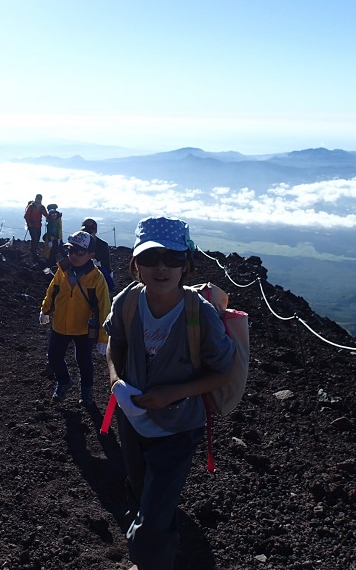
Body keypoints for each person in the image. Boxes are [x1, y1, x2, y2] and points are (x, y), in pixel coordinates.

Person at [103, 216, 236, 570]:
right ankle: (155, 552)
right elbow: (114, 343)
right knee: (142, 494)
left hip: (178, 429)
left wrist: (174, 393)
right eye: (150, 258)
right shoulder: (127, 302)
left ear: (186, 266)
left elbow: (224, 371)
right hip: (132, 422)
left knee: (155, 511)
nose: (161, 266)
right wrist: (116, 381)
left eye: (173, 259)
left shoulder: (200, 315)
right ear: (136, 264)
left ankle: (149, 560)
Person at [40, 230, 110, 406]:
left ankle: (87, 390)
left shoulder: (97, 278)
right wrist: (45, 309)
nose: (73, 255)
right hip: (60, 325)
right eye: (70, 251)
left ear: (91, 255)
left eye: (79, 252)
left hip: (83, 329)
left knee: (84, 361)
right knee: (54, 358)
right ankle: (64, 381)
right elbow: (52, 290)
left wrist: (103, 337)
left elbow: (104, 308)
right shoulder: (62, 270)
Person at [81, 217, 114, 291]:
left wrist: (108, 273)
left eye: (89, 232)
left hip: (99, 276)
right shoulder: (78, 245)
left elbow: (106, 261)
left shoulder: (103, 245)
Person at [23, 194, 48, 262]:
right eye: (38, 198)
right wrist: (29, 223)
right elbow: (26, 216)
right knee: (35, 238)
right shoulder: (31, 206)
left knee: (37, 239)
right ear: (36, 198)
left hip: (38, 225)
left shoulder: (42, 207)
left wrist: (51, 217)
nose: (39, 200)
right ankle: (33, 251)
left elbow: (46, 215)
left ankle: (33, 250)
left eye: (40, 199)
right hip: (32, 225)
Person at [43, 204, 63, 270]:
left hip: (53, 238)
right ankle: (50, 264)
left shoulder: (52, 220)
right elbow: (52, 231)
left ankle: (52, 263)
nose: (54, 216)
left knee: (53, 251)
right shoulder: (55, 220)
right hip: (52, 238)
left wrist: (57, 239)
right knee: (51, 251)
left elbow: (56, 230)